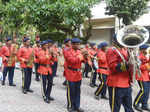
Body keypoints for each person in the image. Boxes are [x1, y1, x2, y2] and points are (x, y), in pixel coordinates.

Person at [106, 34, 134, 112]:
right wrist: (127, 65)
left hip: (127, 84)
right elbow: (113, 67)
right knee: (115, 108)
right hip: (116, 83)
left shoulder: (125, 50)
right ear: (116, 40)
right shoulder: (112, 50)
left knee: (129, 108)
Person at [65, 38, 87, 112]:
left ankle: (77, 106)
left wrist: (86, 56)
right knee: (71, 91)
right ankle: (70, 106)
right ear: (73, 44)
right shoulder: (67, 51)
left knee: (78, 91)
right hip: (71, 73)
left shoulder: (79, 51)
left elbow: (84, 61)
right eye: (77, 44)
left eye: (79, 44)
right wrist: (81, 56)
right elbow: (72, 61)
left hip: (78, 74)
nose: (79, 46)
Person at [133, 44, 150, 112]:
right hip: (141, 76)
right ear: (143, 50)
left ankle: (144, 105)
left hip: (147, 76)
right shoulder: (139, 56)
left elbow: (147, 62)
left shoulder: (144, 56)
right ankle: (136, 103)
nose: (147, 50)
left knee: (147, 92)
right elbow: (138, 67)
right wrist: (146, 65)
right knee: (143, 91)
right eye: (146, 49)